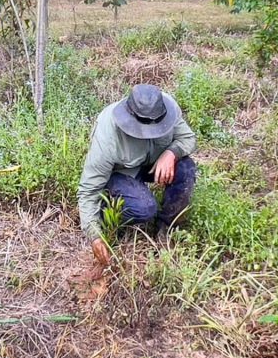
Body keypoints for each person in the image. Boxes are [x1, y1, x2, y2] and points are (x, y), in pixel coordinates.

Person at [78, 83, 197, 265]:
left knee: (186, 168)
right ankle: (110, 208)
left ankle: (166, 228)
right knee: (144, 208)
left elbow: (188, 138)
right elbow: (88, 189)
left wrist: (171, 152)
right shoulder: (108, 134)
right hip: (122, 174)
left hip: (153, 163)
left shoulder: (167, 108)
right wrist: (95, 235)